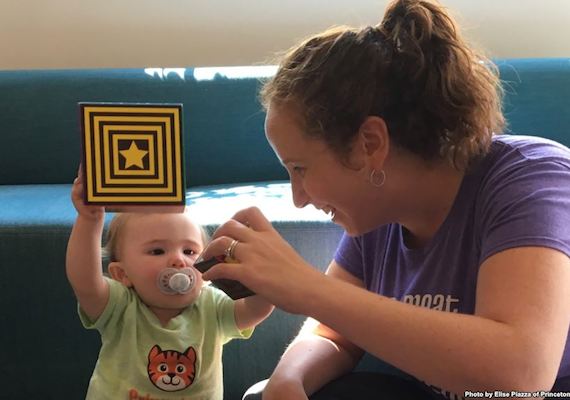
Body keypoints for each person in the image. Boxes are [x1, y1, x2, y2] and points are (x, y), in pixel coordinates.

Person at [198, 0, 570, 398]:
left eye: (300, 168)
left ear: (370, 144)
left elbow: (519, 375)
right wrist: (288, 380)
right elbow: (332, 334)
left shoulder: (530, 179)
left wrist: (306, 287)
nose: (298, 199)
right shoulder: (379, 211)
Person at [66, 172, 274, 399]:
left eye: (189, 251)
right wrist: (89, 220)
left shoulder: (212, 307)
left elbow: (256, 309)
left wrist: (259, 266)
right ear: (122, 274)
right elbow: (84, 282)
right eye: (157, 251)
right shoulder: (119, 307)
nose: (178, 260)